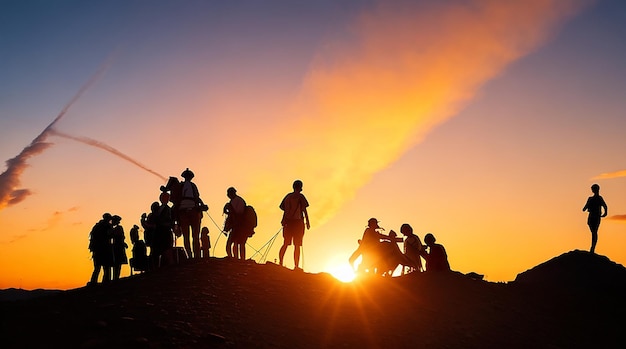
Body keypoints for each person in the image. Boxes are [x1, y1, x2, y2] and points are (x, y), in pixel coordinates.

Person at [279, 180, 310, 270]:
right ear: (300, 187)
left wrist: (284, 220)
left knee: (285, 243)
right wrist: (308, 222)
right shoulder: (301, 197)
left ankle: (280, 262)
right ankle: (296, 266)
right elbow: (304, 210)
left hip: (288, 223)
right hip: (297, 223)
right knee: (297, 245)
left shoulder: (288, 196)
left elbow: (283, 208)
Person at [177, 168, 206, 258]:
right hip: (191, 208)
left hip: (184, 209)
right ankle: (193, 255)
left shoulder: (182, 186)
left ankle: (192, 255)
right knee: (194, 235)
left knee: (189, 235)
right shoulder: (192, 186)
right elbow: (197, 197)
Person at [88, 213, 113, 285]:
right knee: (106, 266)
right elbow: (109, 235)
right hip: (104, 248)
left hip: (97, 249)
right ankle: (106, 281)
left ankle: (94, 281)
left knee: (97, 267)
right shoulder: (106, 226)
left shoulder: (97, 226)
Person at [582, 183, 608, 254]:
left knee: (594, 232)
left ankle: (592, 247)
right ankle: (592, 247)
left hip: (596, 216)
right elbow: (585, 207)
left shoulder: (598, 198)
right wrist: (605, 213)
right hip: (593, 216)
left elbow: (605, 206)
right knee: (594, 232)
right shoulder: (591, 199)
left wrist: (605, 213)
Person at [223, 187, 247, 260]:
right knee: (236, 243)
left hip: (239, 225)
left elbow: (238, 213)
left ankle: (239, 259)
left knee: (238, 243)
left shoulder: (237, 201)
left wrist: (229, 209)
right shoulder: (234, 201)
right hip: (236, 225)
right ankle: (236, 258)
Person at [154, 192, 174, 266]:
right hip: (159, 231)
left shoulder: (168, 209)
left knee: (167, 249)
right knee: (160, 249)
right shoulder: (159, 209)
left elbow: (169, 219)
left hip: (165, 230)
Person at [111, 215, 128, 280]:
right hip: (117, 246)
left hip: (117, 246)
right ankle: (116, 277)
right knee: (117, 262)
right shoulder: (117, 228)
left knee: (117, 262)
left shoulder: (117, 228)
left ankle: (116, 277)